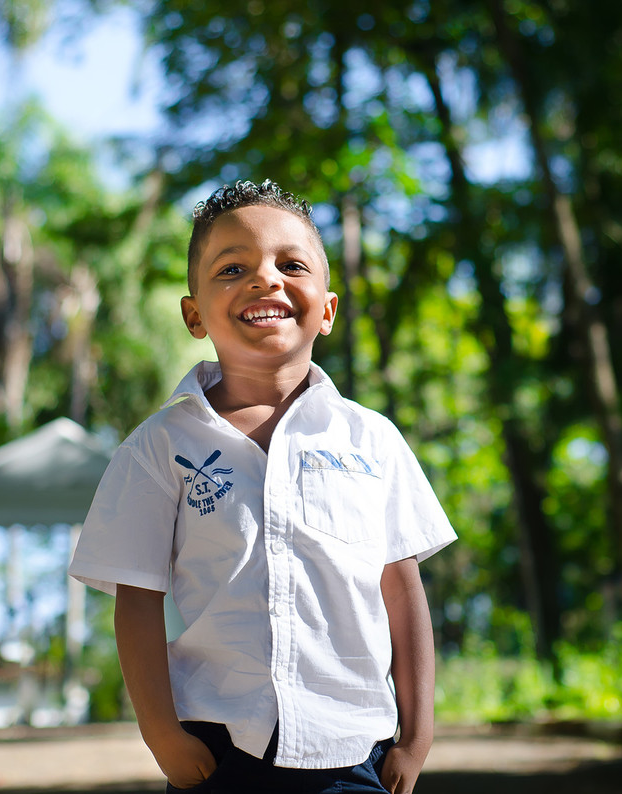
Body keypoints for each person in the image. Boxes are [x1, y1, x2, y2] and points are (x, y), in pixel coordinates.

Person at [68, 179, 456, 794]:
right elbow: (136, 601)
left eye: (291, 264)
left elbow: (401, 589)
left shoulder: (372, 441)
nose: (265, 279)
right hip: (220, 750)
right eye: (232, 268)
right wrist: (162, 734)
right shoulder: (159, 447)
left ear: (327, 310)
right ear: (194, 314)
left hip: (354, 746)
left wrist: (417, 735)